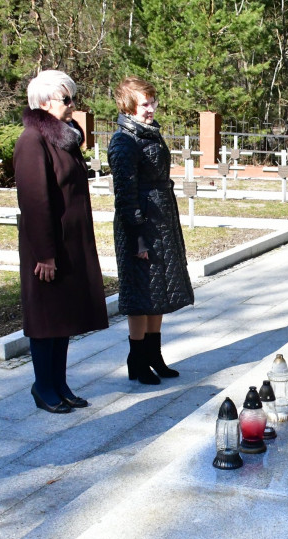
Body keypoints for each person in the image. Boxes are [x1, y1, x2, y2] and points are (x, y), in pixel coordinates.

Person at [15, 70, 108, 412]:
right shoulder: (32, 140)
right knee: (46, 318)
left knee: (63, 317)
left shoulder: (62, 138)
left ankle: (59, 382)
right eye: (66, 99)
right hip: (48, 248)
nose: (73, 105)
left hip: (69, 244)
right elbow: (35, 200)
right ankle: (43, 386)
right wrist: (45, 254)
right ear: (43, 103)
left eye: (72, 98)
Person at [107, 77, 194, 384]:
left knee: (157, 291)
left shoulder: (150, 135)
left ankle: (154, 356)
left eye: (153, 102)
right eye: (145, 103)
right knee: (140, 293)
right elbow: (125, 196)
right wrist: (138, 238)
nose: (151, 108)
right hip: (140, 226)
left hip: (160, 222)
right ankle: (137, 360)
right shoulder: (124, 141)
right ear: (128, 105)